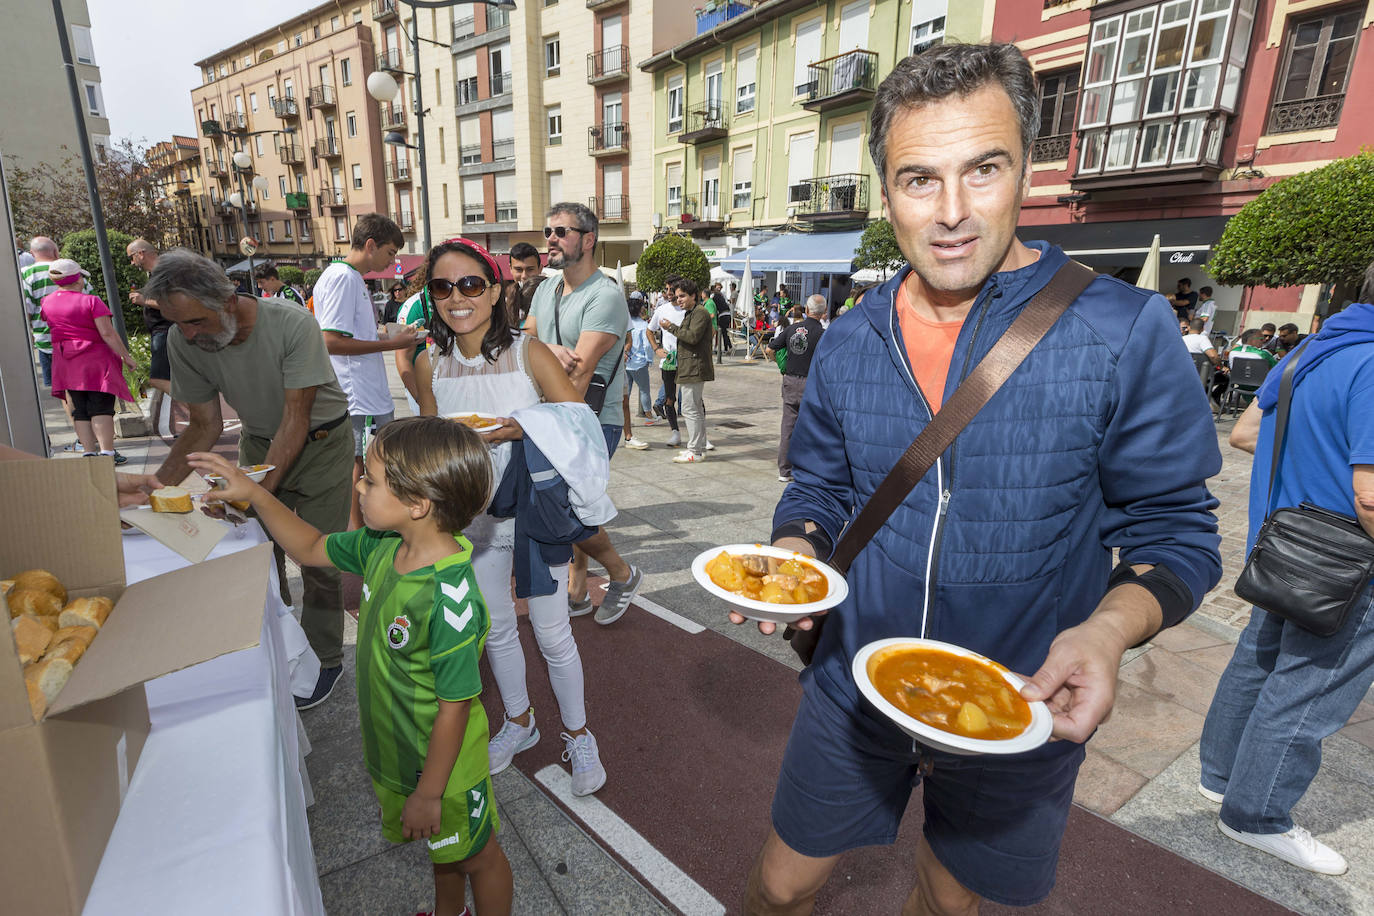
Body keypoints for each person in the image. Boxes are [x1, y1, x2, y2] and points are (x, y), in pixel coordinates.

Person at [735, 44, 1222, 915]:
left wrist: (1108, 633)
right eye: (920, 179)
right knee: (778, 887)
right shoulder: (849, 339)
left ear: (1025, 167)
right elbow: (817, 489)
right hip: (856, 685)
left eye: (983, 170)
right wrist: (793, 552)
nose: (952, 212)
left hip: (1018, 700)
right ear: (886, 191)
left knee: (947, 903)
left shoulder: (1123, 328)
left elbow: (1177, 531)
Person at [188, 419, 515, 915]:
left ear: (417, 505)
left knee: (477, 856)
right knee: (443, 850)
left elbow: (455, 709)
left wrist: (430, 794)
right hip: (401, 752)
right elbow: (311, 547)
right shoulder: (385, 547)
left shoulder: (450, 603)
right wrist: (254, 493)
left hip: (444, 775)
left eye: (372, 479)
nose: (359, 485)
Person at [414, 237, 610, 796]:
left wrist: (525, 426)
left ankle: (579, 733)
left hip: (530, 517)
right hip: (472, 523)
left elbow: (578, 423)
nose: (458, 297)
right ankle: (520, 723)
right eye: (443, 287)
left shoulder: (529, 353)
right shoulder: (432, 362)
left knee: (551, 634)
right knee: (497, 629)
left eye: (471, 284)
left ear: (495, 290)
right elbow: (431, 441)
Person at [1198, 270, 1374, 876]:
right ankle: (1257, 814)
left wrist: (1310, 465)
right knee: (1310, 689)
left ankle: (1220, 779)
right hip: (1347, 560)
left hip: (1283, 542)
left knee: (1258, 661)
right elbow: (1371, 496)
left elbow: (1246, 432)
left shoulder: (1311, 349)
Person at [144, 248, 355, 710]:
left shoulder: (292, 323)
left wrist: (252, 493)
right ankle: (280, 646)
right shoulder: (185, 341)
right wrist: (155, 488)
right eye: (178, 323)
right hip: (260, 444)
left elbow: (296, 419)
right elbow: (204, 426)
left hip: (322, 443)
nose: (189, 334)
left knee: (319, 556)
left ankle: (324, 658)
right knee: (261, 555)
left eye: (196, 321)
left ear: (226, 299)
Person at [523, 203, 642, 625]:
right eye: (547, 230)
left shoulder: (605, 296)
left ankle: (621, 574)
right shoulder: (545, 289)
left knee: (569, 508)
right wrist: (546, 352)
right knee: (569, 503)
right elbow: (526, 347)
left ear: (588, 240)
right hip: (547, 415)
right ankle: (576, 587)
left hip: (590, 419)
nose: (550, 238)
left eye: (561, 231)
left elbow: (580, 373)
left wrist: (539, 356)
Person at [312, 213, 426, 530]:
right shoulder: (342, 279)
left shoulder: (350, 278)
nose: (392, 262)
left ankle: (363, 526)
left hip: (363, 391)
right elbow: (331, 341)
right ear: (371, 245)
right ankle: (356, 531)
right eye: (390, 253)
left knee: (367, 460)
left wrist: (391, 337)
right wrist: (392, 346)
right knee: (356, 463)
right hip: (354, 394)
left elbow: (350, 333)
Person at [40, 259, 137, 462]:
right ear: (77, 279)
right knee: (101, 406)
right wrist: (126, 356)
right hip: (95, 361)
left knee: (80, 409)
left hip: (66, 361)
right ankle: (107, 452)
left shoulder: (47, 302)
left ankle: (88, 452)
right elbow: (108, 334)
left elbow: (50, 324)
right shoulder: (91, 301)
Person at [768, 294, 826, 483]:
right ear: (824, 313)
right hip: (812, 383)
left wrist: (781, 365)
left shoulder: (792, 329)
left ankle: (784, 470)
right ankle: (808, 469)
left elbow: (770, 349)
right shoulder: (824, 334)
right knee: (813, 427)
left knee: (788, 427)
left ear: (807, 311)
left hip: (791, 381)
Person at [658, 278, 713, 464]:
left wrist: (670, 327)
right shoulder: (691, 313)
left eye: (682, 296)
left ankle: (695, 450)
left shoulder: (700, 313)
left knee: (690, 409)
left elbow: (692, 337)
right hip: (690, 367)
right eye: (677, 296)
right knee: (694, 408)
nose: (678, 299)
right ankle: (699, 447)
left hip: (694, 368)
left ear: (693, 296)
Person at [649, 277, 685, 445]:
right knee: (669, 398)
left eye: (672, 290)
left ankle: (701, 435)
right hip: (669, 361)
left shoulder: (689, 310)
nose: (669, 293)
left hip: (687, 361)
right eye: (667, 290)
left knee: (694, 399)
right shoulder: (662, 309)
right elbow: (650, 331)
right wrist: (657, 348)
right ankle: (675, 432)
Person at [622, 293, 652, 450]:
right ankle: (648, 416)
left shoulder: (625, 323)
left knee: (625, 396)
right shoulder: (643, 325)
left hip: (626, 363)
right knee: (645, 390)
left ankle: (627, 426)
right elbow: (647, 346)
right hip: (639, 362)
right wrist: (650, 359)